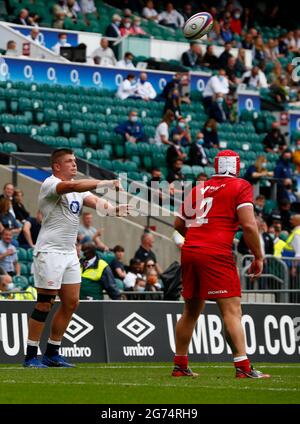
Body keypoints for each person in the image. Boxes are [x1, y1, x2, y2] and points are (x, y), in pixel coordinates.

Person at [23, 148, 130, 368]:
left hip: (70, 253)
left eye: (74, 161)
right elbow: (72, 186)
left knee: (71, 303)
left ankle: (52, 352)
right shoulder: (50, 184)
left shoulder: (78, 191)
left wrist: (115, 209)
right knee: (45, 304)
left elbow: (98, 204)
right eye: (69, 161)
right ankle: (31, 355)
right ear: (56, 166)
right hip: (50, 252)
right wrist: (106, 183)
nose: (74, 164)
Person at [172, 150, 270, 379]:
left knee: (190, 311)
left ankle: (180, 365)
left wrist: (198, 237)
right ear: (236, 167)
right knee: (232, 311)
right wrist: (258, 256)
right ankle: (243, 367)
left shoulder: (198, 188)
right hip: (216, 253)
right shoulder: (241, 186)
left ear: (216, 166)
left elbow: (178, 223)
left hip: (191, 251)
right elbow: (248, 225)